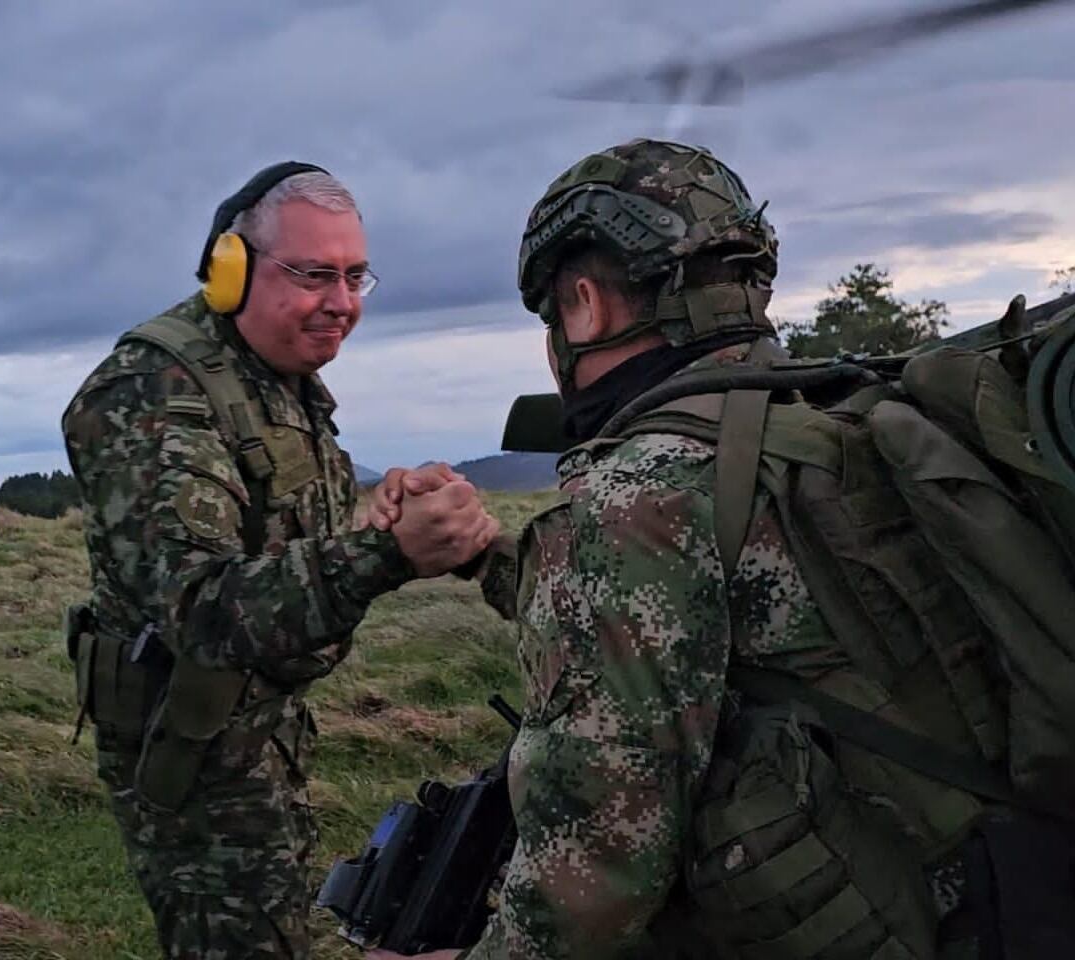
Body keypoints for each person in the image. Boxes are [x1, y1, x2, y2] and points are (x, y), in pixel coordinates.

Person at [370, 138, 1075, 960]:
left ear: (586, 305)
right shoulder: (838, 422)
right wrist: (486, 554)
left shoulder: (637, 493)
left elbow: (594, 874)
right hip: (1010, 895)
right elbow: (697, 619)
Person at [61, 161, 498, 960]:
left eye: (356, 277)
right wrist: (386, 553)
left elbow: (283, 531)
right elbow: (202, 609)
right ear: (231, 269)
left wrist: (384, 507)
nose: (342, 303)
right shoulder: (152, 393)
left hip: (258, 731)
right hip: (194, 757)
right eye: (313, 275)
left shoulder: (274, 377)